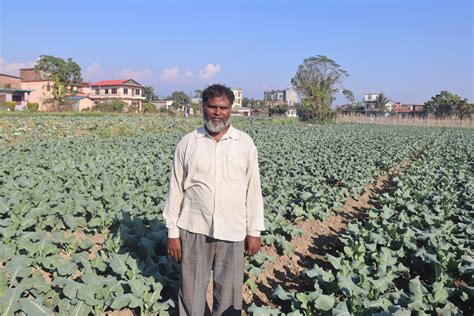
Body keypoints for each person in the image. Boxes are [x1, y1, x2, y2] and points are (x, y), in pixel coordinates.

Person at [163, 84, 265, 315]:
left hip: (233, 229)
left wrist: (255, 231)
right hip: (194, 227)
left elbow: (253, 189)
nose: (218, 112)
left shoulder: (245, 143)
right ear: (203, 108)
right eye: (212, 107)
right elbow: (176, 188)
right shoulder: (188, 143)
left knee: (228, 294)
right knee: (191, 295)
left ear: (231, 110)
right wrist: (172, 233)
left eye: (223, 108)